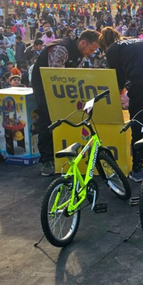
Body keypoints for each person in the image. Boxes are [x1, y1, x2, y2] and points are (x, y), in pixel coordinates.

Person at [98, 27, 143, 183]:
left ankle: (137, 168)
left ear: (104, 43)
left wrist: (119, 98)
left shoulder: (112, 49)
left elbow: (117, 79)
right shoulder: (139, 40)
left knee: (138, 124)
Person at [31, 29, 101, 176]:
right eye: (91, 49)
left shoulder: (80, 53)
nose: (91, 53)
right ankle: (47, 160)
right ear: (83, 43)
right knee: (47, 118)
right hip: (45, 85)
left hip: (65, 86)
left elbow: (76, 74)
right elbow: (56, 77)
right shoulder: (60, 49)